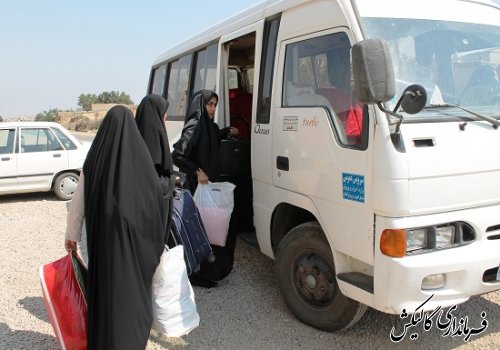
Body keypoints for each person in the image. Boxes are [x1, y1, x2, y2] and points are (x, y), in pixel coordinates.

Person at [64, 105, 167, 349]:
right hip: (134, 254)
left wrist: (72, 236)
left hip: (104, 249)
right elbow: (156, 206)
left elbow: (77, 204)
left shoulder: (93, 163)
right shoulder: (141, 165)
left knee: (105, 296)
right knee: (132, 298)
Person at [172, 89, 238, 288]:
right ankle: (195, 272)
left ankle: (210, 270)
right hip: (197, 188)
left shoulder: (209, 126)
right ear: (201, 105)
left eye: (215, 105)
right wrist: (197, 171)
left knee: (210, 227)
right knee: (199, 229)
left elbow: (208, 141)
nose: (213, 109)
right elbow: (178, 155)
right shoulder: (194, 125)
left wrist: (225, 131)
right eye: (210, 104)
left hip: (208, 188)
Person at [135, 94, 174, 241]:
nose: (165, 117)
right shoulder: (154, 138)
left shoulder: (134, 138)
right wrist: (170, 181)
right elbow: (153, 177)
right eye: (163, 113)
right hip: (151, 212)